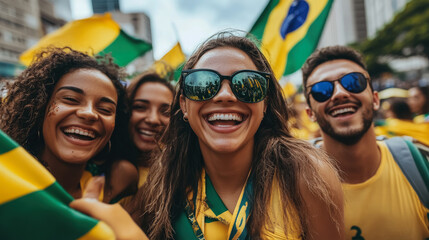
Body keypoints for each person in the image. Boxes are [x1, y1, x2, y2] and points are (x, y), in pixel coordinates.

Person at [71, 32, 345, 240]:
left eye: (246, 84)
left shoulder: (305, 174)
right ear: (184, 106)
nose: (225, 95)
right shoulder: (164, 180)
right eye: (203, 84)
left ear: (264, 104)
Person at [302, 45, 429, 239]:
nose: (339, 94)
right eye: (322, 90)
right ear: (310, 113)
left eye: (353, 82)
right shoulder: (292, 181)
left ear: (375, 100)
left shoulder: (421, 161)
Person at [0, 47, 136, 202]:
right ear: (39, 108)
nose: (89, 113)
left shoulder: (117, 185)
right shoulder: (5, 180)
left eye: (105, 109)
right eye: (70, 99)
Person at [126, 70, 174, 187]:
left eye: (165, 112)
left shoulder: (178, 177)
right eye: (140, 107)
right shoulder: (94, 166)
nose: (153, 120)